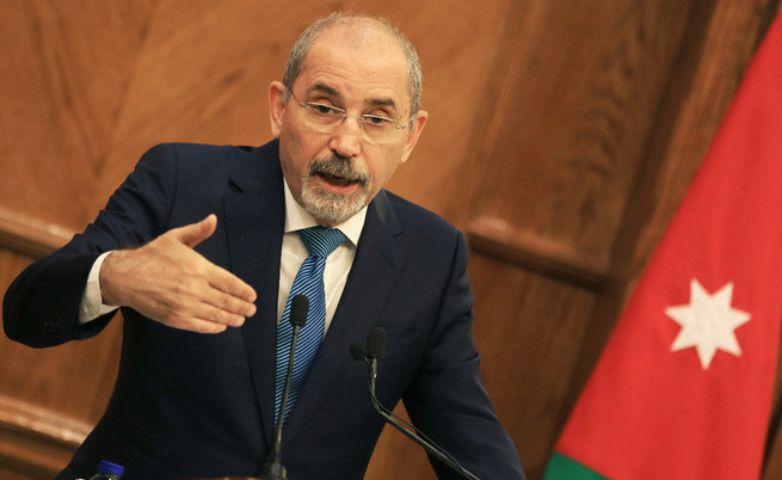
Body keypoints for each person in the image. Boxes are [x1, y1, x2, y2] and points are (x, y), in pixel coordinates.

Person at [3, 12, 524, 480]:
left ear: (410, 136)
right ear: (279, 108)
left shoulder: (431, 257)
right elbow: (24, 311)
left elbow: (469, 439)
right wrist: (115, 276)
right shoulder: (181, 182)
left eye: (377, 119)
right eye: (324, 108)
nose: (346, 144)